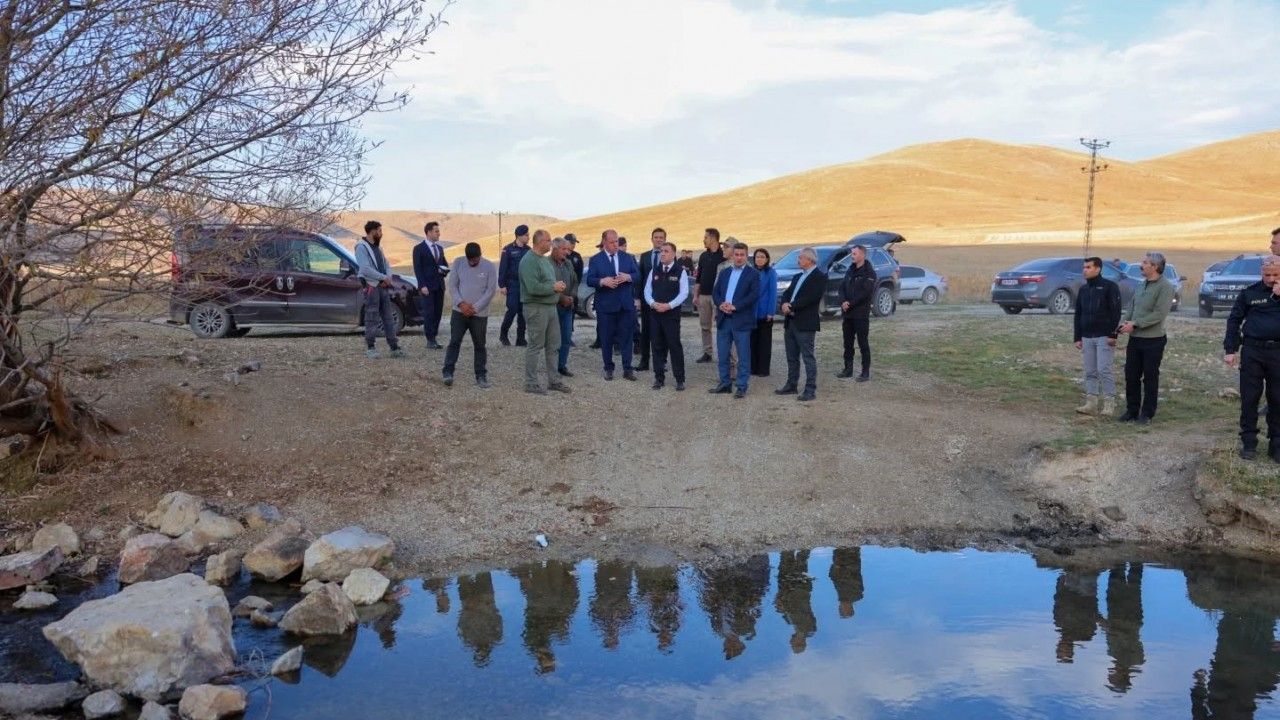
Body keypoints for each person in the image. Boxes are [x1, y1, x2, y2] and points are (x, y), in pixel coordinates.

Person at [1223, 255, 1280, 460]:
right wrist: (1230, 349)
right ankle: (1249, 443)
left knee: (1277, 399)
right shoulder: (1250, 293)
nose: (1271, 279)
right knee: (1250, 398)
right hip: (1253, 351)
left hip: (1277, 352)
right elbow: (1234, 320)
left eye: (1275, 275)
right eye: (1267, 275)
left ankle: (1276, 444)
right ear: (1261, 273)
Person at [1117, 252, 1174, 423]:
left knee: (1150, 377)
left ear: (1155, 267)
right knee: (1131, 375)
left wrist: (1135, 324)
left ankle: (1147, 413)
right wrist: (1123, 323)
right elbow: (1132, 307)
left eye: (1145, 262)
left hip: (1153, 340)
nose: (1141, 265)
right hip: (1135, 339)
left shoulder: (1166, 287)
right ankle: (1132, 411)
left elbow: (1159, 313)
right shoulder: (1142, 285)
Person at [518, 229, 569, 395]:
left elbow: (548, 282)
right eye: (548, 240)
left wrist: (557, 286)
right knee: (535, 345)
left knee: (554, 345)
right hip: (536, 308)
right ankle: (531, 383)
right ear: (539, 242)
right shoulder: (528, 261)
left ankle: (554, 381)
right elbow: (532, 288)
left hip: (550, 307)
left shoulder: (544, 260)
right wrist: (553, 287)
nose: (551, 243)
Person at [586, 229, 641, 381]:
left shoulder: (627, 257)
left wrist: (628, 277)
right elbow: (590, 279)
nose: (615, 245)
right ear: (604, 242)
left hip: (625, 305)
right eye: (612, 242)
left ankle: (627, 369)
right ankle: (608, 368)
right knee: (606, 338)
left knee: (627, 338)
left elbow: (638, 276)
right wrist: (602, 281)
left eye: (616, 241)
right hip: (605, 306)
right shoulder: (595, 259)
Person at [442, 242, 497, 388]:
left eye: (475, 259)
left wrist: (475, 308)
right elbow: (452, 286)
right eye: (470, 260)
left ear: (480, 255)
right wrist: (461, 304)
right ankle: (448, 372)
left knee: (480, 345)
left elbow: (490, 291)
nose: (472, 262)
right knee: (454, 342)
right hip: (459, 312)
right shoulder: (458, 263)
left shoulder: (489, 266)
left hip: (479, 314)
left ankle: (481, 375)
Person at [1073, 256, 1122, 416]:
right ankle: (1091, 403)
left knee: (1104, 369)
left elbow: (1115, 312)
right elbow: (1078, 314)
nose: (1084, 270)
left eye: (1088, 267)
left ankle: (1109, 403)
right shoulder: (1083, 289)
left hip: (1104, 336)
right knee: (1090, 371)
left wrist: (1113, 334)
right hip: (1087, 336)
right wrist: (1077, 337)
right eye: (1084, 267)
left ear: (1098, 269)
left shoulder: (1109, 287)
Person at [710, 242, 760, 398]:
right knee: (723, 354)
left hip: (741, 319)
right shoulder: (725, 273)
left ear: (746, 256)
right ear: (732, 256)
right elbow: (716, 292)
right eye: (736, 255)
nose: (738, 258)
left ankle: (741, 386)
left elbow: (753, 295)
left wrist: (735, 306)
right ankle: (725, 383)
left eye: (742, 255)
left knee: (743, 355)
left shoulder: (753, 274)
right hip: (724, 318)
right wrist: (721, 304)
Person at [776, 247, 825, 401]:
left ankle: (810, 389)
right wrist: (784, 304)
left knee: (807, 357)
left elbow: (811, 298)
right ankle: (791, 385)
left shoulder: (819, 277)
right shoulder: (798, 276)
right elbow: (787, 293)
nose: (798, 260)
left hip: (805, 323)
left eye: (800, 258)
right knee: (792, 357)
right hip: (791, 322)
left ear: (810, 259)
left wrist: (791, 306)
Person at [354, 220, 404, 359]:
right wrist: (382, 278)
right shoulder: (361, 247)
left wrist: (387, 277)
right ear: (372, 231)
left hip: (383, 287)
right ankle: (371, 347)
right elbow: (365, 268)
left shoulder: (378, 248)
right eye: (379, 231)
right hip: (372, 286)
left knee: (388, 316)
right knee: (371, 317)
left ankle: (394, 347)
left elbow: (386, 264)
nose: (381, 233)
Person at [644, 241, 689, 391]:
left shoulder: (680, 271)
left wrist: (669, 305)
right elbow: (647, 291)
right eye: (661, 251)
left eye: (666, 251)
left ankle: (680, 379)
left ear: (674, 254)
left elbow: (684, 293)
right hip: (655, 314)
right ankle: (659, 378)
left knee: (674, 346)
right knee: (656, 346)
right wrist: (652, 303)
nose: (662, 254)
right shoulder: (654, 270)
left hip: (671, 315)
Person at [837, 245, 876, 381]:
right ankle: (848, 369)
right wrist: (843, 301)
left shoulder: (869, 273)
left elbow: (865, 293)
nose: (852, 256)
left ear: (862, 255)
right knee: (847, 343)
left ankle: (865, 372)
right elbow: (841, 288)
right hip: (848, 314)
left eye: (854, 254)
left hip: (860, 314)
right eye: (851, 254)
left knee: (863, 343)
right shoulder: (850, 270)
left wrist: (850, 303)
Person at [412, 220, 449, 349]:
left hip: (439, 286)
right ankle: (430, 339)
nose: (439, 234)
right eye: (436, 231)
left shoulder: (440, 248)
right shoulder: (419, 249)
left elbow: (444, 264)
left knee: (438, 313)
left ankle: (434, 337)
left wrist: (444, 270)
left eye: (439, 231)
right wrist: (422, 285)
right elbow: (418, 268)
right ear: (428, 232)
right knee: (429, 313)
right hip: (427, 287)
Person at [634, 228, 667, 372]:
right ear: (652, 239)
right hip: (647, 300)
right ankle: (644, 361)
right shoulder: (645, 256)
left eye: (661, 237)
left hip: (663, 301)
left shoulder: (669, 255)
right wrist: (637, 298)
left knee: (662, 332)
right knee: (646, 331)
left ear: (665, 239)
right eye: (656, 237)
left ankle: (661, 362)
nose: (658, 239)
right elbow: (639, 279)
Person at [692, 229, 724, 363]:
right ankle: (707, 353)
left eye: (705, 237)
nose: (703, 240)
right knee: (705, 326)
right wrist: (695, 295)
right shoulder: (703, 256)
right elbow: (698, 277)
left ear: (713, 238)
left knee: (722, 326)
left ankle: (725, 354)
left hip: (719, 297)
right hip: (704, 296)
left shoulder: (724, 255)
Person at [498, 224, 531, 346]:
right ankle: (503, 334)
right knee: (512, 309)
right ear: (519, 236)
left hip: (525, 285)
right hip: (512, 284)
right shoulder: (508, 249)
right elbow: (503, 268)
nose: (528, 237)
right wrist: (502, 285)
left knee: (523, 312)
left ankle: (520, 339)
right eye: (526, 235)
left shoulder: (528, 250)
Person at [551, 237, 579, 378]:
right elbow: (548, 285)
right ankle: (552, 368)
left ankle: (561, 366)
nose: (567, 252)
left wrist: (571, 297)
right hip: (553, 307)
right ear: (555, 248)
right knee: (553, 340)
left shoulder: (568, 263)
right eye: (564, 249)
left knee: (566, 338)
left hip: (568, 307)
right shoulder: (546, 264)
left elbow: (575, 281)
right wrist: (562, 298)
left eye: (568, 249)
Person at [750, 248, 778, 377]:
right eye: (757, 257)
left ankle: (763, 369)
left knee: (764, 342)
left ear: (767, 259)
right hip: (752, 312)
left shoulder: (771, 273)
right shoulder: (751, 271)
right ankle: (753, 368)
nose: (759, 259)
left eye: (762, 257)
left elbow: (773, 293)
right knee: (752, 341)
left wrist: (770, 312)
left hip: (765, 312)